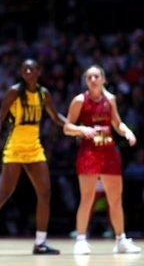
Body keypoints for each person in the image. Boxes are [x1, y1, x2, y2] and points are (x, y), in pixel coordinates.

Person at [0, 59, 65, 255]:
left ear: (39, 71)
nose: (28, 71)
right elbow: (0, 117)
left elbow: (56, 117)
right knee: (4, 193)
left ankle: (40, 243)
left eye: (31, 68)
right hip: (15, 148)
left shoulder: (43, 93)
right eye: (24, 69)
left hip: (35, 149)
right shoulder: (14, 92)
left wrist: (76, 127)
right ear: (21, 72)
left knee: (45, 194)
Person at [64, 64, 140, 255]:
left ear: (103, 79)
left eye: (96, 76)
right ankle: (81, 240)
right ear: (86, 81)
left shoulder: (111, 99)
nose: (93, 80)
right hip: (88, 153)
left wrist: (127, 131)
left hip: (109, 153)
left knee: (115, 200)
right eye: (89, 77)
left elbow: (117, 123)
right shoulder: (79, 100)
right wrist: (82, 129)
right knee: (87, 198)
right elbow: (67, 127)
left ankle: (121, 240)